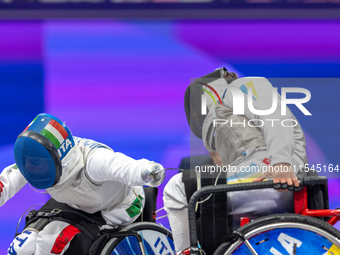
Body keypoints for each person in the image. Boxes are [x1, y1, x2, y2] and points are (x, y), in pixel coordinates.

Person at [163, 68, 308, 254]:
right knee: (209, 209)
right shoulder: (230, 117)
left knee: (177, 187)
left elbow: (275, 117)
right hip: (263, 185)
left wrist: (281, 163)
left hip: (271, 175)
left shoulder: (244, 86)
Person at [0, 113, 165, 255]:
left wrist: (147, 171)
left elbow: (125, 168)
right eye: (27, 160)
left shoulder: (93, 161)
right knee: (21, 246)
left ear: (59, 160)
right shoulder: (44, 159)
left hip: (117, 206)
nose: (28, 166)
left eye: (35, 162)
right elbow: (7, 181)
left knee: (51, 244)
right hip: (74, 201)